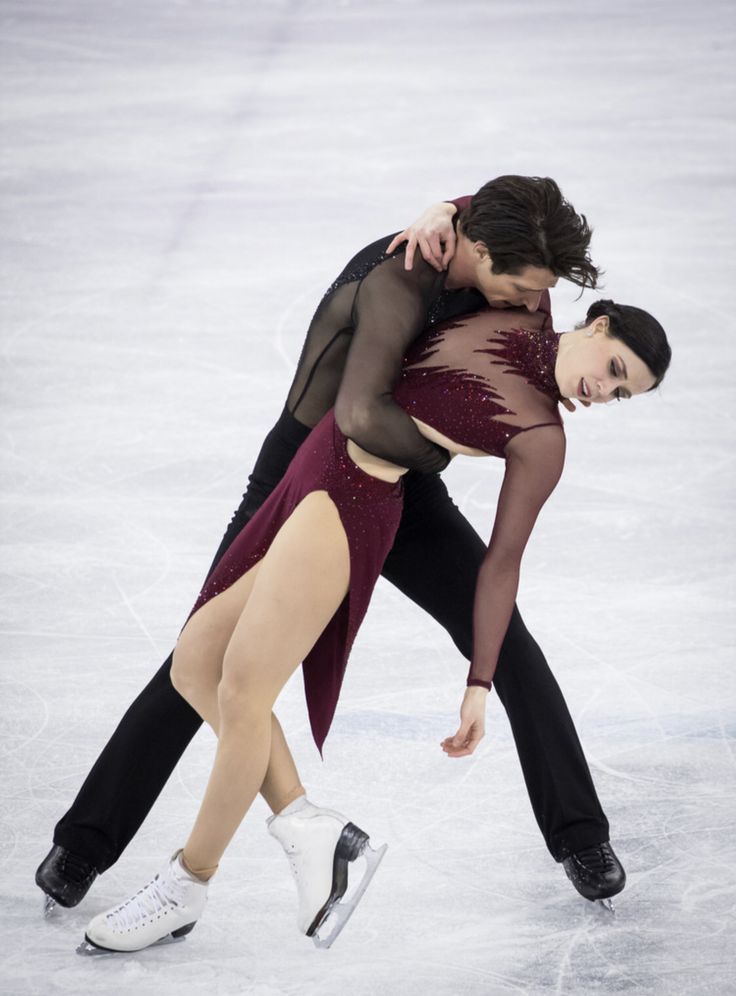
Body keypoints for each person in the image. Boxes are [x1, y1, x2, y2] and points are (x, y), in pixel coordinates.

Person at [38, 176, 617, 923]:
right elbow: (359, 411)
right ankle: (85, 843)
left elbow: (496, 199)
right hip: (305, 474)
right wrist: (467, 448)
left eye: (539, 295)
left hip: (396, 480)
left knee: (506, 639)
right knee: (204, 655)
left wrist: (447, 200)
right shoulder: (400, 278)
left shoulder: (501, 245)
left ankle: (581, 836)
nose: (524, 307)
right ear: (476, 250)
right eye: (517, 288)